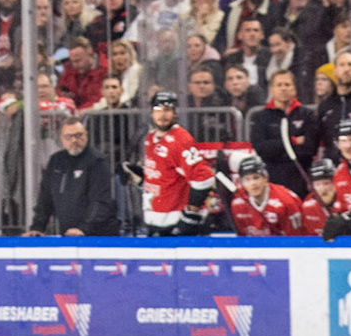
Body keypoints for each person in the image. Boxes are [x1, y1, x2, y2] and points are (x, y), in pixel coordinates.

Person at [125, 90, 216, 235]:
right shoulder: (150, 138)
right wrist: (140, 177)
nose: (162, 115)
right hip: (155, 221)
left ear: (175, 113)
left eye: (167, 110)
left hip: (175, 224)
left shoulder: (180, 140)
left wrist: (190, 214)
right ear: (151, 113)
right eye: (158, 110)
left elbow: (204, 177)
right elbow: (165, 177)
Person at [33, 115, 118, 236]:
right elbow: (45, 197)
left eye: (78, 135)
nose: (74, 140)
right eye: (68, 137)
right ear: (62, 139)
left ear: (86, 135)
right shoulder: (56, 161)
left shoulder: (97, 161)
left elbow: (100, 201)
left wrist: (84, 228)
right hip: (69, 233)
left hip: (97, 235)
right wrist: (38, 227)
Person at [226, 154, 308, 235]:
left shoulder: (286, 201)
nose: (253, 183)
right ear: (241, 183)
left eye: (256, 178)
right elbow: (244, 238)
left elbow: (296, 238)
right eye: (247, 179)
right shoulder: (238, 204)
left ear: (265, 178)